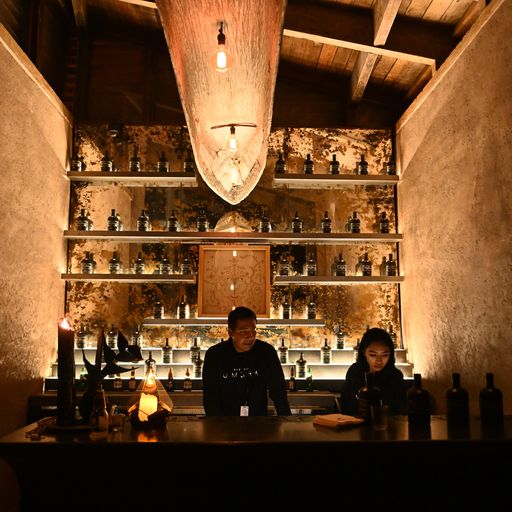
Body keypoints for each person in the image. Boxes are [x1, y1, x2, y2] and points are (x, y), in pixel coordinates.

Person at [202, 306, 291, 416]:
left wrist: (286, 420)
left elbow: (278, 391)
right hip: (225, 421)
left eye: (253, 330)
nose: (250, 336)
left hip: (258, 422)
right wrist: (217, 423)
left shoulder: (266, 352)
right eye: (243, 331)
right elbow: (210, 397)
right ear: (230, 332)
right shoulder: (215, 354)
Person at [340, 327, 406, 416]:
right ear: (364, 352)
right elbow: (346, 406)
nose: (379, 361)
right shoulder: (355, 372)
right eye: (373, 355)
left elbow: (400, 410)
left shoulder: (395, 376)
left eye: (385, 355)